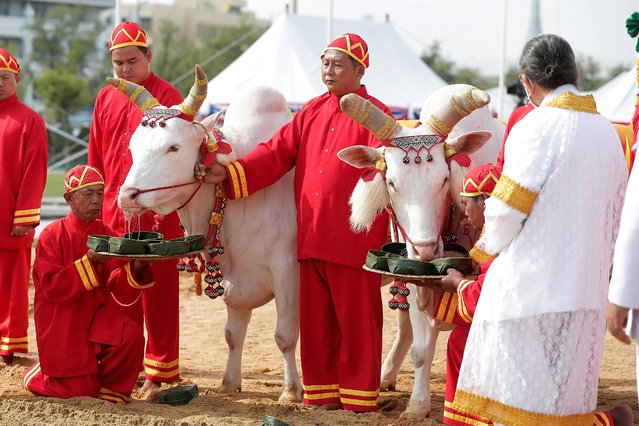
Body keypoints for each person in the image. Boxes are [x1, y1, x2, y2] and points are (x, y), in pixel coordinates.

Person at [197, 33, 390, 412]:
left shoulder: (377, 115)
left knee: (356, 322)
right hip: (311, 234)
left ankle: (358, 399)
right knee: (317, 323)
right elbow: (275, 153)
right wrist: (230, 174)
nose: (328, 70)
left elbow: (387, 170)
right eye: (324, 62)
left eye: (337, 64)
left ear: (359, 70)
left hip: (355, 238)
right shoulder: (311, 111)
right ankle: (321, 395)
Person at [449, 34, 629, 424]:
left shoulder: (536, 126)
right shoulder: (609, 134)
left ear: (526, 82)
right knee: (562, 402)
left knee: (520, 403)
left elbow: (509, 209)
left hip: (532, 292)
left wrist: (476, 259)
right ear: (576, 73)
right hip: (586, 291)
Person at [435, 164, 630, 426]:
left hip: (534, 328)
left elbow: (484, 300)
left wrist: (457, 283)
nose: (464, 213)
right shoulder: (518, 228)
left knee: (463, 341)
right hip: (552, 317)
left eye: (466, 204)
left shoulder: (505, 236)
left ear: (486, 202)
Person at [88, 21, 184, 392]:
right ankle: (122, 368)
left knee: (158, 295)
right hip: (114, 211)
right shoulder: (105, 96)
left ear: (149, 57)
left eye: (132, 61)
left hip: (157, 214)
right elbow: (95, 154)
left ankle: (161, 375)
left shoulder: (169, 96)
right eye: (118, 64)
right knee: (118, 293)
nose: (125, 70)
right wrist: (95, 206)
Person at [23, 165, 155, 402]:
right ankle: (37, 375)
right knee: (80, 391)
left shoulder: (106, 231)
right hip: (64, 320)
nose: (96, 200)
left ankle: (110, 389)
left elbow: (117, 285)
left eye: (99, 193)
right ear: (69, 198)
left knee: (131, 335)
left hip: (97, 316)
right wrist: (90, 261)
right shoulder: (51, 236)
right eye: (88, 194)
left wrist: (138, 265)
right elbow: (53, 288)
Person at [0, 48, 48, 365]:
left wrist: (25, 217)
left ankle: (8, 345)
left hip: (11, 218)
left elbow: (36, 172)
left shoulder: (30, 120)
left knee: (13, 282)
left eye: (4, 78)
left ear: (17, 79)